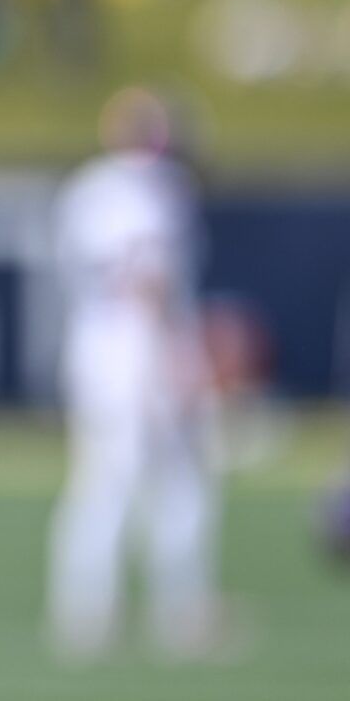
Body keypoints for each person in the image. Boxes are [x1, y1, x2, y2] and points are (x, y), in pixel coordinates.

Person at [47, 87, 223, 660]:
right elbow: (148, 278)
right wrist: (173, 356)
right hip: (139, 348)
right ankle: (180, 612)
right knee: (176, 484)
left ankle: (85, 614)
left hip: (96, 347)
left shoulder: (87, 187)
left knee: (103, 482)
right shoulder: (152, 187)